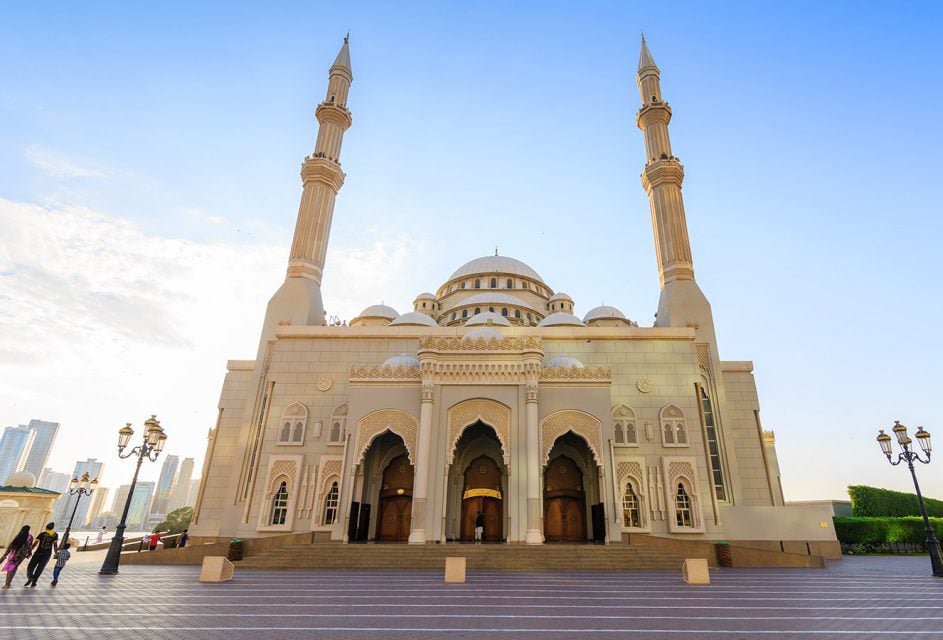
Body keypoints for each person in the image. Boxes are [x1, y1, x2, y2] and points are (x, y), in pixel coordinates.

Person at [24, 522, 58, 587]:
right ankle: (34, 582)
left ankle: (30, 577)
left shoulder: (42, 534)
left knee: (30, 566)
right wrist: (56, 554)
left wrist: (29, 552)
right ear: (52, 528)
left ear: (46, 527)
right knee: (40, 568)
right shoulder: (55, 535)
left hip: (38, 552)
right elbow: (55, 545)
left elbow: (35, 544)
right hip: (47, 554)